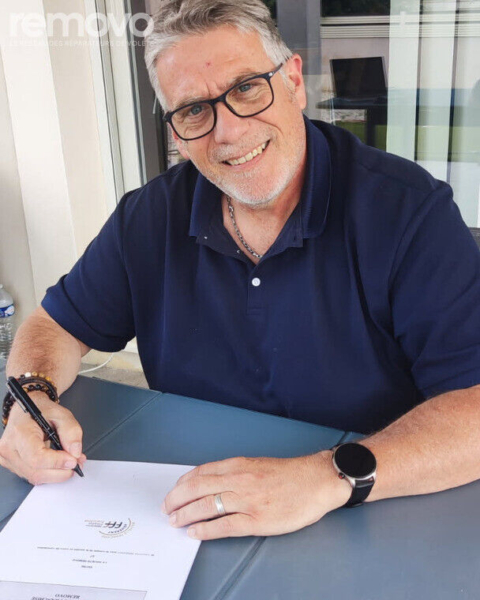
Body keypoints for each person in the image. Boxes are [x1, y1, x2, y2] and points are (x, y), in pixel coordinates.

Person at [1, 0, 480, 542]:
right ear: (175, 133)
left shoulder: (409, 212)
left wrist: (327, 477)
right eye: (193, 110)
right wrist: (30, 399)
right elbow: (55, 326)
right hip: (185, 509)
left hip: (372, 505)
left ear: (294, 81)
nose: (228, 131)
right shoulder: (149, 216)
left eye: (248, 88)